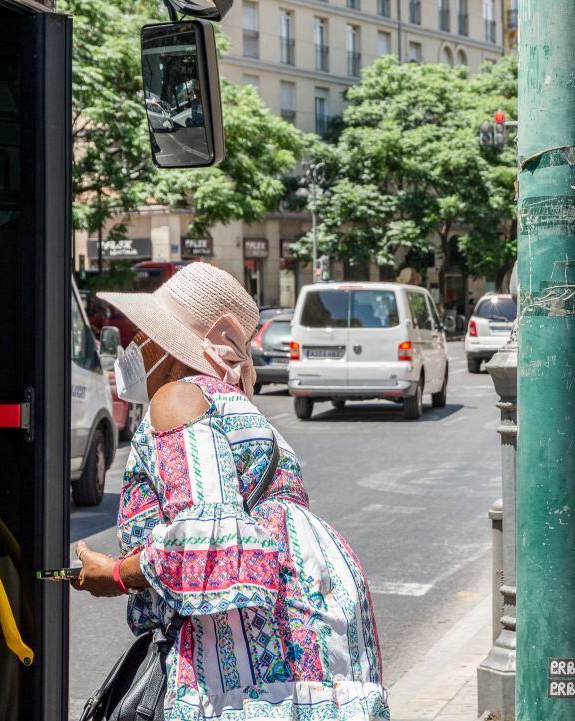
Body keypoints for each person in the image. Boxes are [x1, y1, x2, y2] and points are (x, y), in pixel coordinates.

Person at [70, 263, 388, 720]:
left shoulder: (177, 397)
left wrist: (115, 574)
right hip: (307, 657)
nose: (137, 344)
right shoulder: (247, 416)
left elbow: (208, 542)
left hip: (237, 675)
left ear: (173, 348)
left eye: (147, 332)